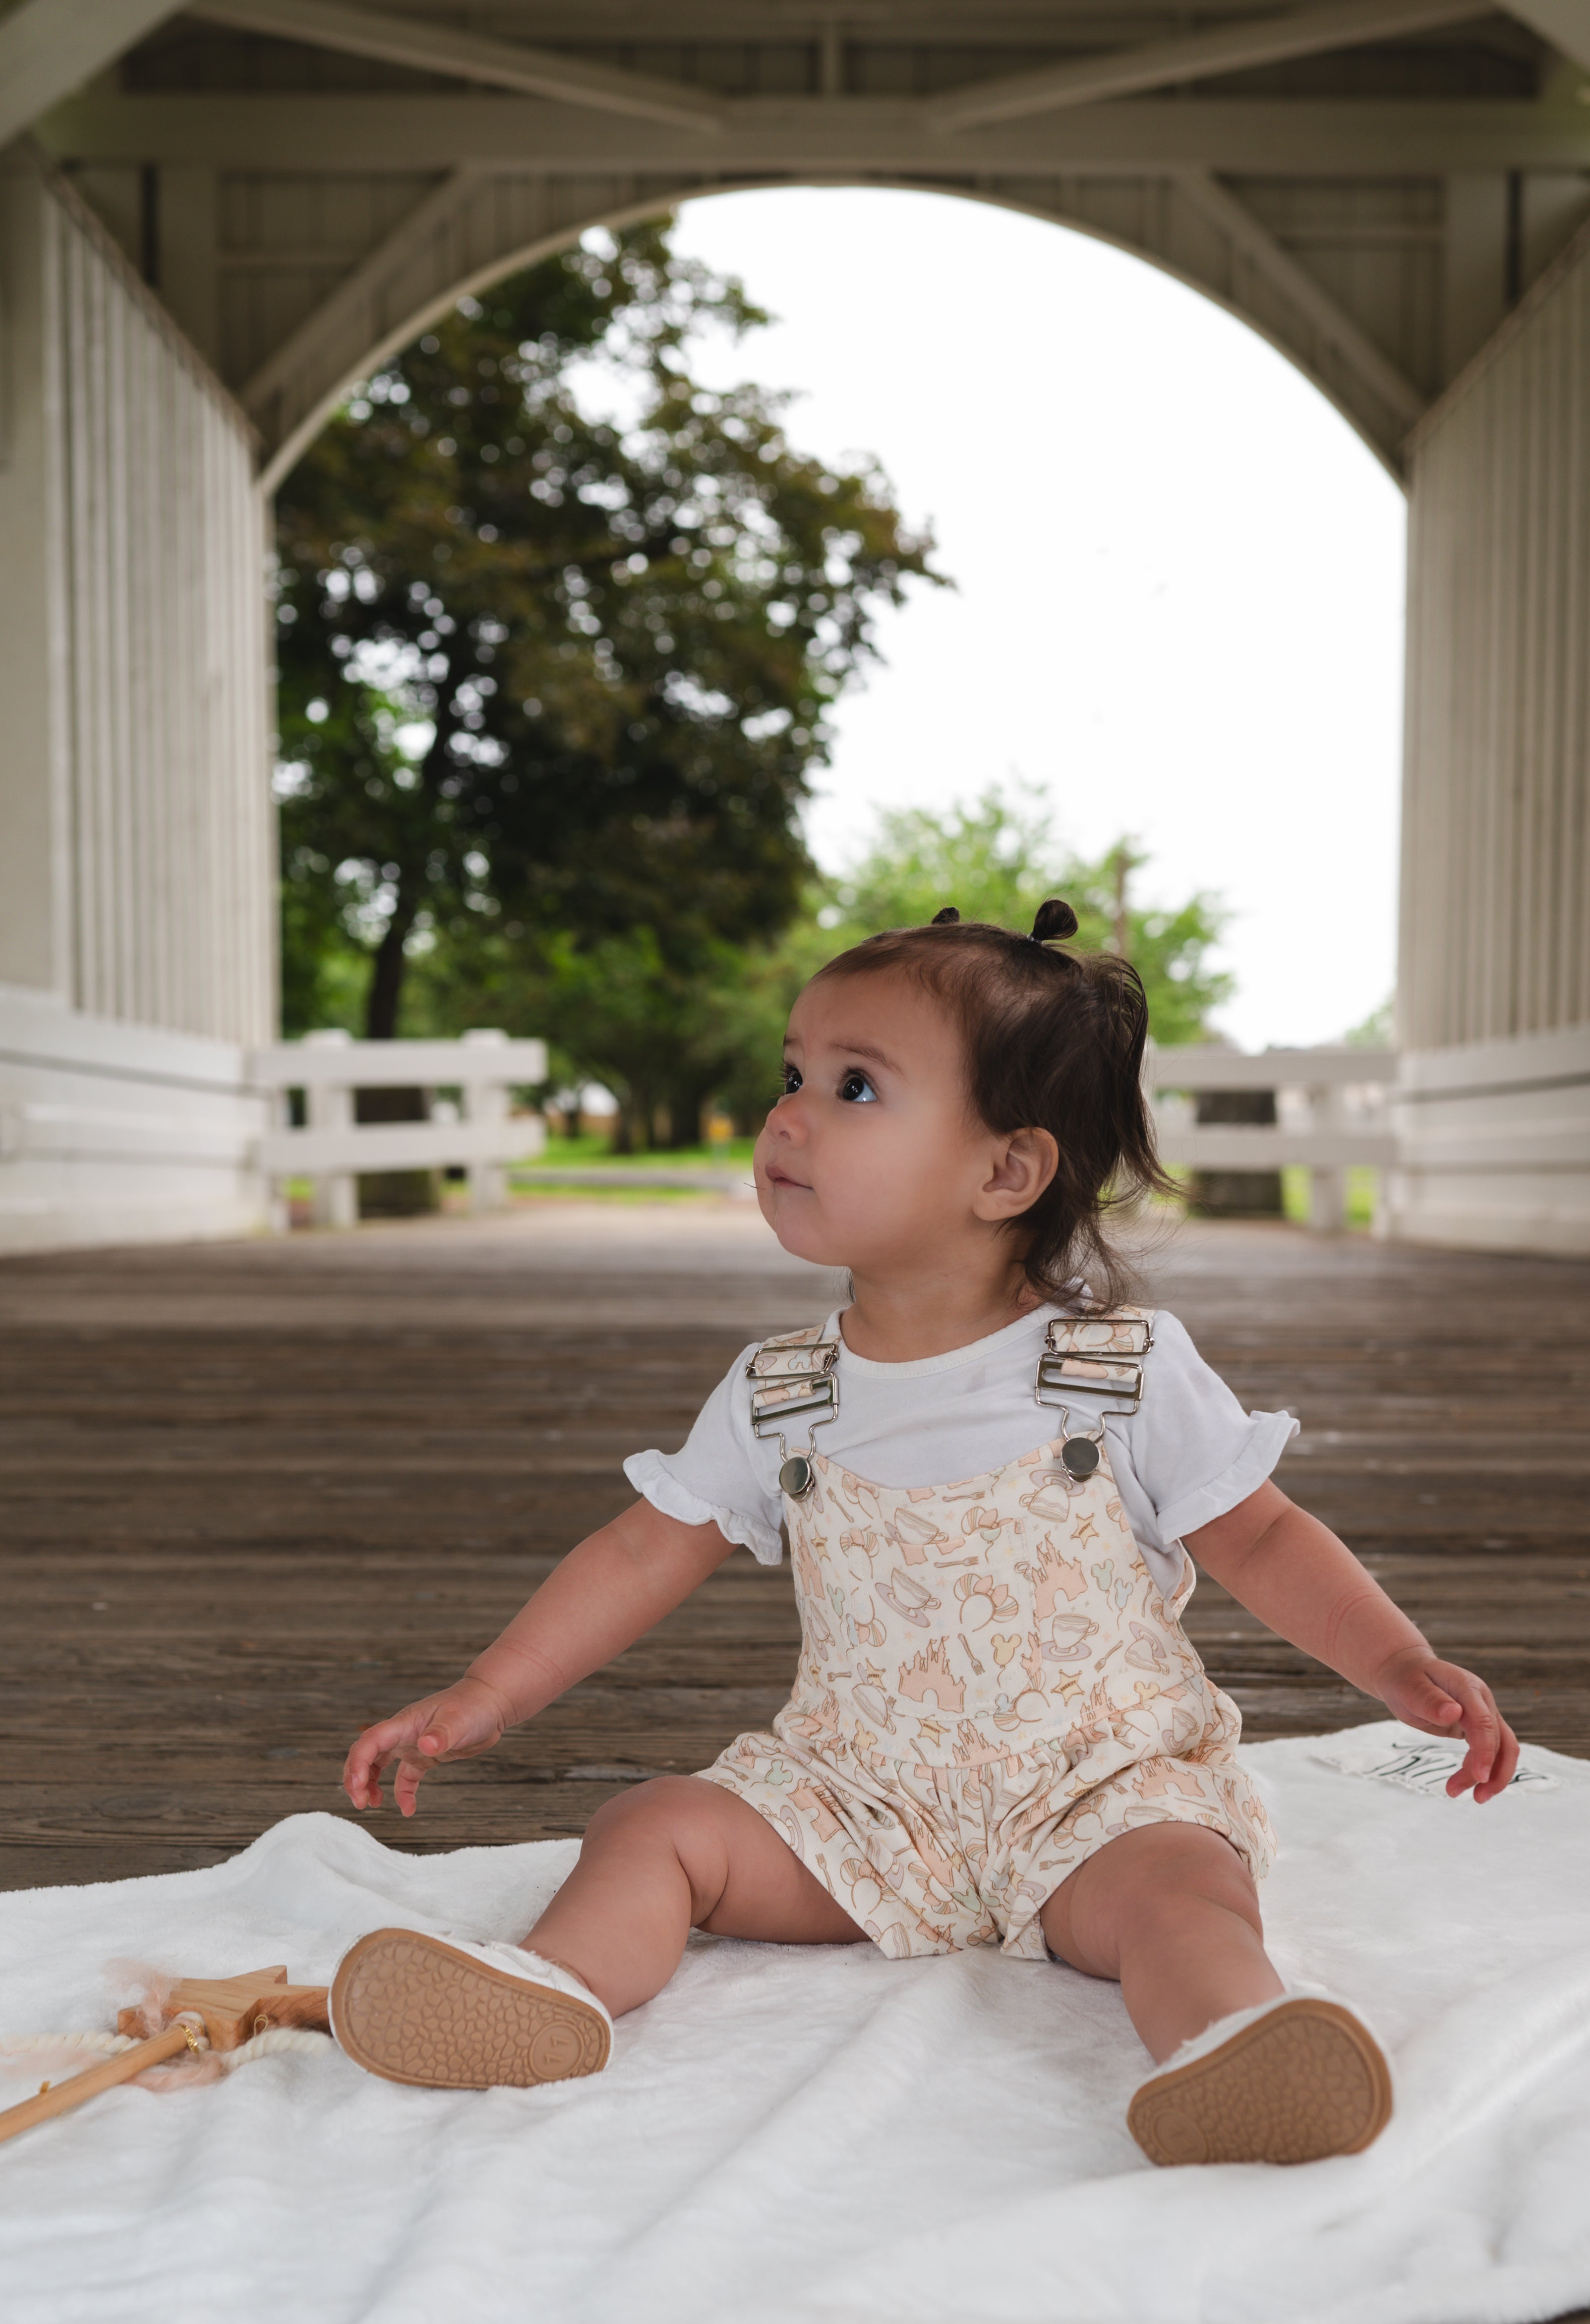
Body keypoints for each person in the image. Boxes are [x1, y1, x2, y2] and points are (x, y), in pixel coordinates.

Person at [332, 902, 1518, 2166]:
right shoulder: (781, 1387)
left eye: (852, 1087)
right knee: (652, 1824)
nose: (785, 1115)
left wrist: (1396, 1664)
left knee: (1184, 1895)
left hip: (1095, 1796)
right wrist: (487, 1691)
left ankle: (1238, 2049)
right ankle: (546, 1993)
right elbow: (640, 1550)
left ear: (1006, 1171)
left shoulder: (1110, 1369)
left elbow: (1265, 1536)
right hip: (857, 1802)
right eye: (790, 1075)